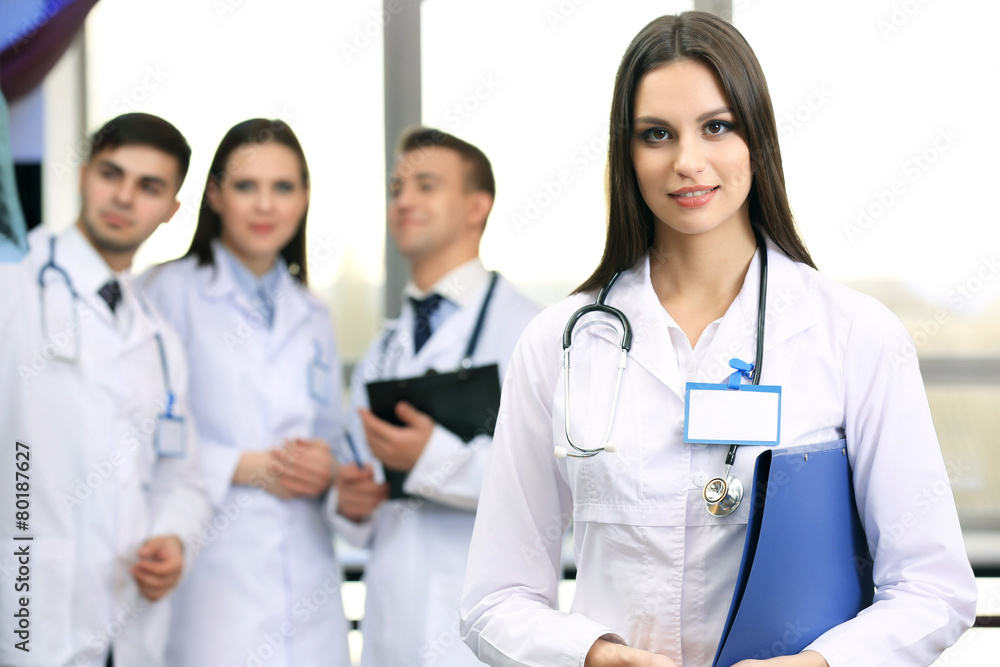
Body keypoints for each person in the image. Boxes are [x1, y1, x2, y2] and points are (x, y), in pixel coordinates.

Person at [460, 11, 977, 667]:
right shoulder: (559, 343)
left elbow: (933, 588)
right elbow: (493, 597)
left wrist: (820, 664)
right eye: (656, 134)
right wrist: (591, 655)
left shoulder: (856, 336)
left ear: (756, 141)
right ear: (627, 152)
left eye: (716, 127)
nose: (687, 161)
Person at [0, 113, 211, 667]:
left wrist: (174, 539)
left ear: (170, 211)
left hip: (129, 625)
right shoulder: (13, 284)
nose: (122, 197)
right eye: (111, 174)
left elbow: (180, 475)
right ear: (84, 174)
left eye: (149, 187)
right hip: (27, 611)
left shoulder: (159, 338)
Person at [140, 118, 351, 666]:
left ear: (304, 198)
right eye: (245, 186)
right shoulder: (166, 294)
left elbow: (333, 437)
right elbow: (135, 436)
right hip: (208, 571)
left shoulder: (314, 314)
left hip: (307, 575)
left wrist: (326, 470)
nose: (266, 206)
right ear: (214, 195)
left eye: (283, 188)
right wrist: (240, 465)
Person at [331, 127, 540, 667]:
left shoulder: (527, 330)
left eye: (426, 185)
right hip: (390, 620)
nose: (404, 200)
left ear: (477, 206)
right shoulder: (385, 346)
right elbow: (360, 483)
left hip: (480, 630)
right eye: (398, 187)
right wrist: (350, 503)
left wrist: (429, 458)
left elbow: (547, 477)